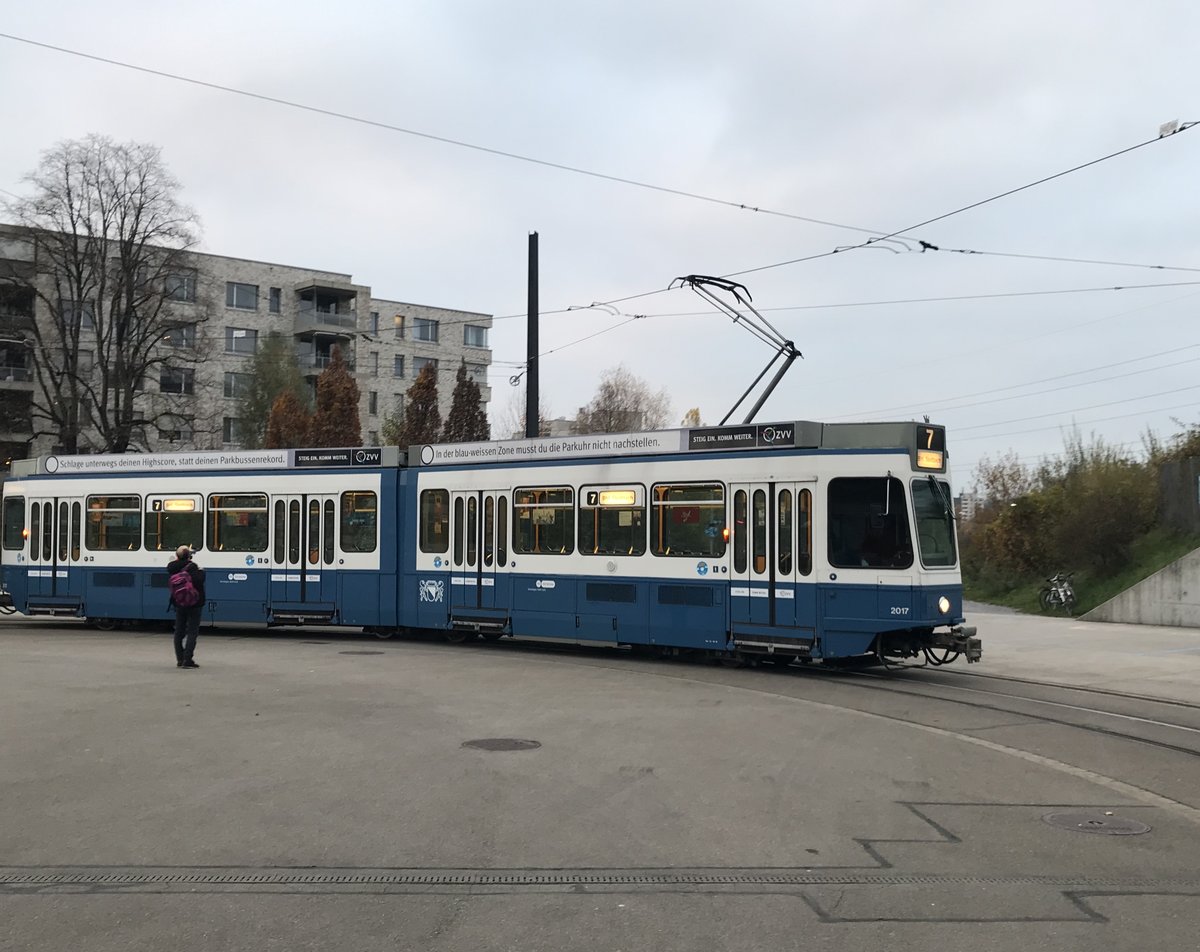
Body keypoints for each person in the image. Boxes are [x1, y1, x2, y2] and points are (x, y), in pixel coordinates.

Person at [167, 544, 206, 668]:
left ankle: (180, 659)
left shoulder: (172, 567)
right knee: (192, 632)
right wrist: (201, 571)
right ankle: (187, 659)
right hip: (194, 603)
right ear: (189, 556)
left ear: (177, 556)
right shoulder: (193, 567)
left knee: (179, 631)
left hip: (179, 603)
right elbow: (199, 581)